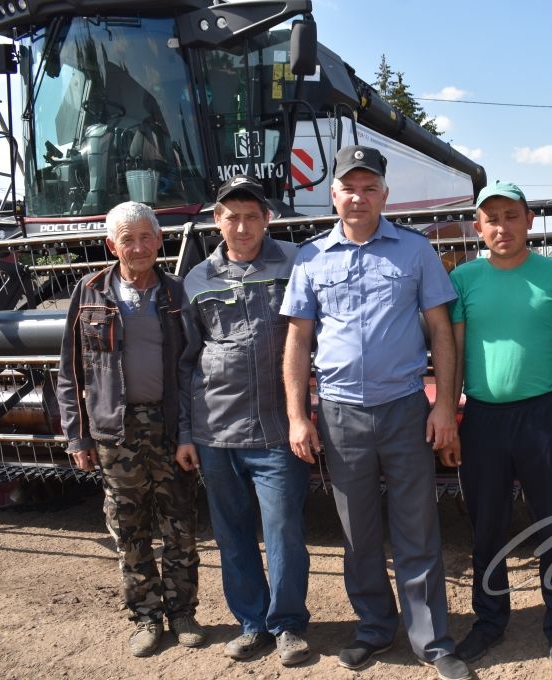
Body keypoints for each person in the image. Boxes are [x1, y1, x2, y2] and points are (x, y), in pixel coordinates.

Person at [281, 145, 470, 680]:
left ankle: (432, 642)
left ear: (385, 195)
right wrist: (299, 416)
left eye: (370, 188)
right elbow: (298, 341)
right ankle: (373, 628)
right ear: (332, 194)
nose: (359, 197)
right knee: (358, 532)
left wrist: (445, 409)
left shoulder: (415, 252)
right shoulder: (312, 258)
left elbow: (441, 332)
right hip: (340, 416)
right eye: (349, 187)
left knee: (418, 527)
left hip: (406, 409)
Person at [439, 181, 552, 668]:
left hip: (542, 415)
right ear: (478, 227)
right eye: (491, 218)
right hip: (481, 419)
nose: (502, 227)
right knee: (487, 527)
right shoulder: (464, 280)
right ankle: (489, 620)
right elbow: (454, 354)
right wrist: (450, 415)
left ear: (529, 222)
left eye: (511, 216)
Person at [174, 175, 310, 666]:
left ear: (267, 219)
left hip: (278, 429)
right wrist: (186, 433)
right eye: (232, 216)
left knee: (284, 533)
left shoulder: (296, 264)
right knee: (232, 536)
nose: (243, 225)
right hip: (216, 432)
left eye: (253, 215)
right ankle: (252, 623)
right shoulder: (197, 279)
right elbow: (185, 362)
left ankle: (289, 624)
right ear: (217, 220)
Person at [57, 201, 203, 657]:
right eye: (127, 239)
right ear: (111, 244)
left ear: (160, 241)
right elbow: (71, 372)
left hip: (168, 426)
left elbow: (192, 368)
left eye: (146, 237)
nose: (138, 247)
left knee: (179, 525)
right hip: (113, 432)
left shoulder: (177, 294)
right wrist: (77, 436)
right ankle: (145, 617)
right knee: (129, 527)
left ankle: (182, 613)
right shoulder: (89, 292)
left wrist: (187, 434)